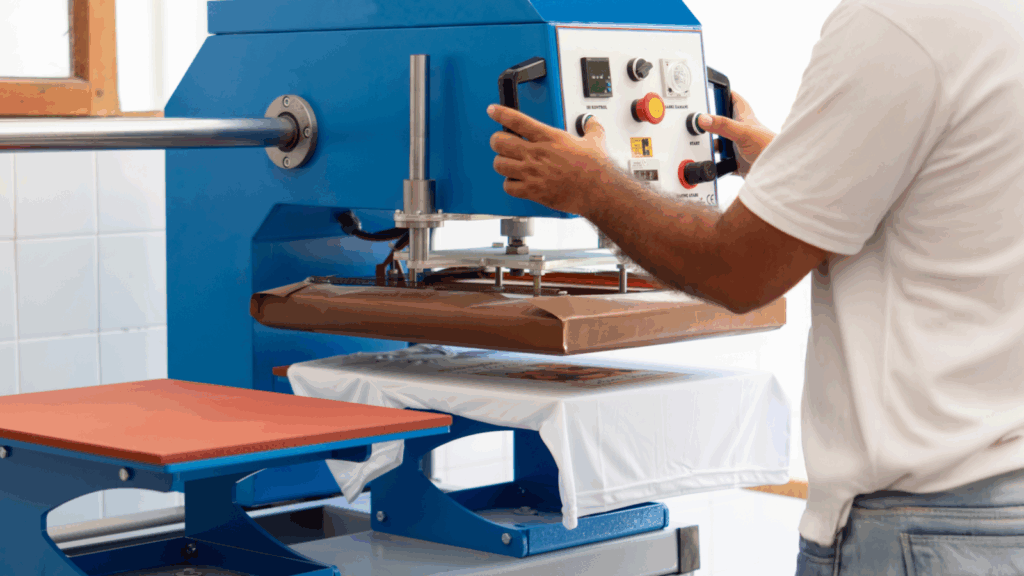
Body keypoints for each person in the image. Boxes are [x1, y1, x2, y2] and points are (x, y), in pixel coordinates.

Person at [486, 0, 1024, 573]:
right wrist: (795, 177)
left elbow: (737, 271)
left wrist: (591, 187)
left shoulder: (897, 22)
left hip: (920, 531)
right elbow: (957, 209)